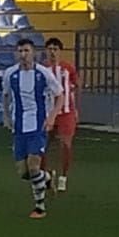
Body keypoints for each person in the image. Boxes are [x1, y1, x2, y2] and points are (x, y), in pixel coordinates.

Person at [1, 38, 61, 219]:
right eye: (20, 51)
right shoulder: (10, 74)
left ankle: (40, 207)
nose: (23, 55)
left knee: (33, 167)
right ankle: (48, 178)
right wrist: (5, 115)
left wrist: (51, 117)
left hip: (38, 125)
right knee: (23, 172)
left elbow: (60, 95)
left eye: (26, 51)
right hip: (19, 126)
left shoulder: (43, 73)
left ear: (33, 53)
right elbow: (5, 96)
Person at [41, 37, 80, 193]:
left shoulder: (67, 68)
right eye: (50, 49)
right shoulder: (42, 69)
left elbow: (76, 87)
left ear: (60, 51)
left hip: (66, 112)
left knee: (66, 144)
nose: (52, 52)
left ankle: (63, 177)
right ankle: (47, 175)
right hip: (49, 113)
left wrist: (76, 108)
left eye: (55, 49)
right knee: (42, 146)